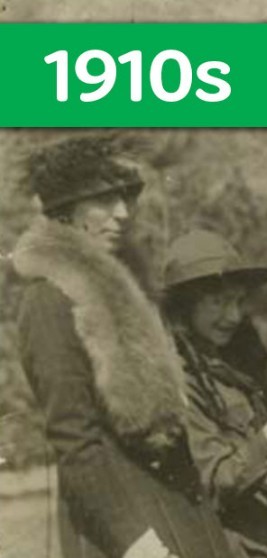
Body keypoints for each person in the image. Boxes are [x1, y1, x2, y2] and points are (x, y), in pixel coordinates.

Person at [13, 136, 237, 558]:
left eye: (125, 199)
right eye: (103, 200)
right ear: (66, 210)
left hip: (178, 509)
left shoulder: (131, 293)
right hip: (126, 527)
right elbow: (75, 442)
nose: (122, 214)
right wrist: (134, 541)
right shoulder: (49, 301)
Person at [162, 230, 267, 558]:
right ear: (185, 306)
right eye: (218, 301)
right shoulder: (177, 381)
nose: (232, 316)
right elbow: (214, 483)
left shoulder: (236, 368)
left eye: (237, 301)